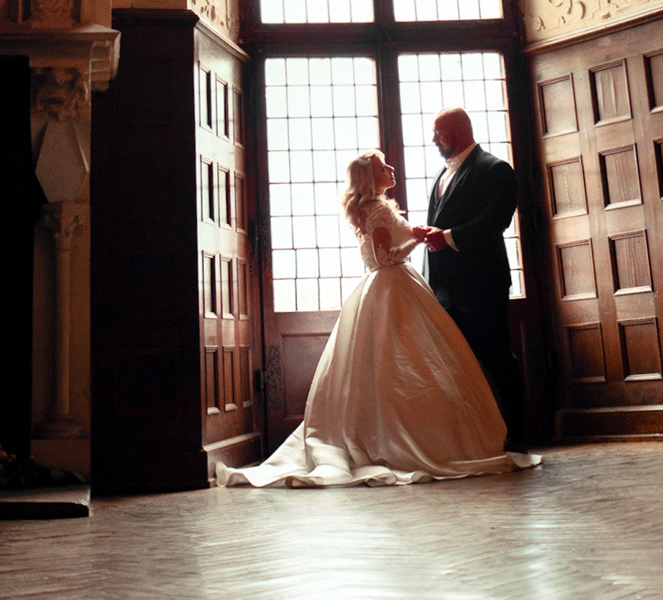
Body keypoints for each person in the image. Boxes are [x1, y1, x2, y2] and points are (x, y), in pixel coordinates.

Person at [219, 151, 538, 488]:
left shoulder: (376, 208)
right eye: (383, 166)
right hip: (393, 284)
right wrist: (416, 239)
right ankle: (407, 440)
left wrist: (412, 231)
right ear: (370, 178)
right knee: (403, 362)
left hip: (391, 285)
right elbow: (384, 257)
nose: (391, 168)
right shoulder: (377, 210)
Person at [420, 107, 528, 446]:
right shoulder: (441, 173)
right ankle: (473, 439)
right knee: (456, 366)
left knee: (496, 358)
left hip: (481, 284)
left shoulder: (495, 169)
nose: (434, 139)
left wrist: (448, 237)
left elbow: (495, 221)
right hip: (443, 289)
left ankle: (517, 436)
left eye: (437, 132)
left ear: (457, 132)